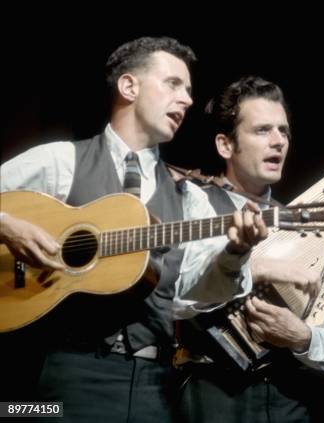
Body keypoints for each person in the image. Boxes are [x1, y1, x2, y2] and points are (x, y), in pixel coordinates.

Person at [0, 37, 266, 422]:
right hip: (62, 377)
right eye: (174, 84)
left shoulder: (188, 197)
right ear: (129, 87)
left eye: (190, 90)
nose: (188, 100)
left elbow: (195, 292)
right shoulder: (63, 162)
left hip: (154, 387)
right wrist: (9, 229)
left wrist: (235, 252)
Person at [174, 76, 324, 423]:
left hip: (289, 399)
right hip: (210, 396)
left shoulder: (305, 221)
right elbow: (174, 294)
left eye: (283, 131)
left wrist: (301, 337)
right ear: (225, 145)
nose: (278, 142)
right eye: (262, 131)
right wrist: (257, 266)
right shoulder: (195, 205)